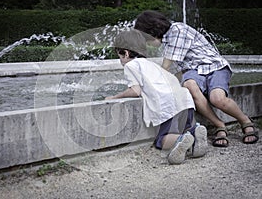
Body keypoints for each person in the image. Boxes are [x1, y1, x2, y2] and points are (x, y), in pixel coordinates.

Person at [134, 10, 259, 147]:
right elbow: (176, 72)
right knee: (189, 86)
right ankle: (219, 125)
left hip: (214, 66)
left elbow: (165, 68)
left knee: (217, 98)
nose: (148, 44)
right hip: (194, 71)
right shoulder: (168, 41)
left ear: (152, 31)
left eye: (146, 39)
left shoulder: (177, 30)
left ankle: (245, 121)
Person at [105, 29, 208, 164]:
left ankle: (180, 140)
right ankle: (195, 131)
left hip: (166, 103)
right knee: (186, 127)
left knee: (162, 139)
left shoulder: (130, 66)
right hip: (184, 98)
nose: (120, 59)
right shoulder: (151, 64)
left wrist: (114, 97)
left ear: (125, 53)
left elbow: (135, 91)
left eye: (119, 54)